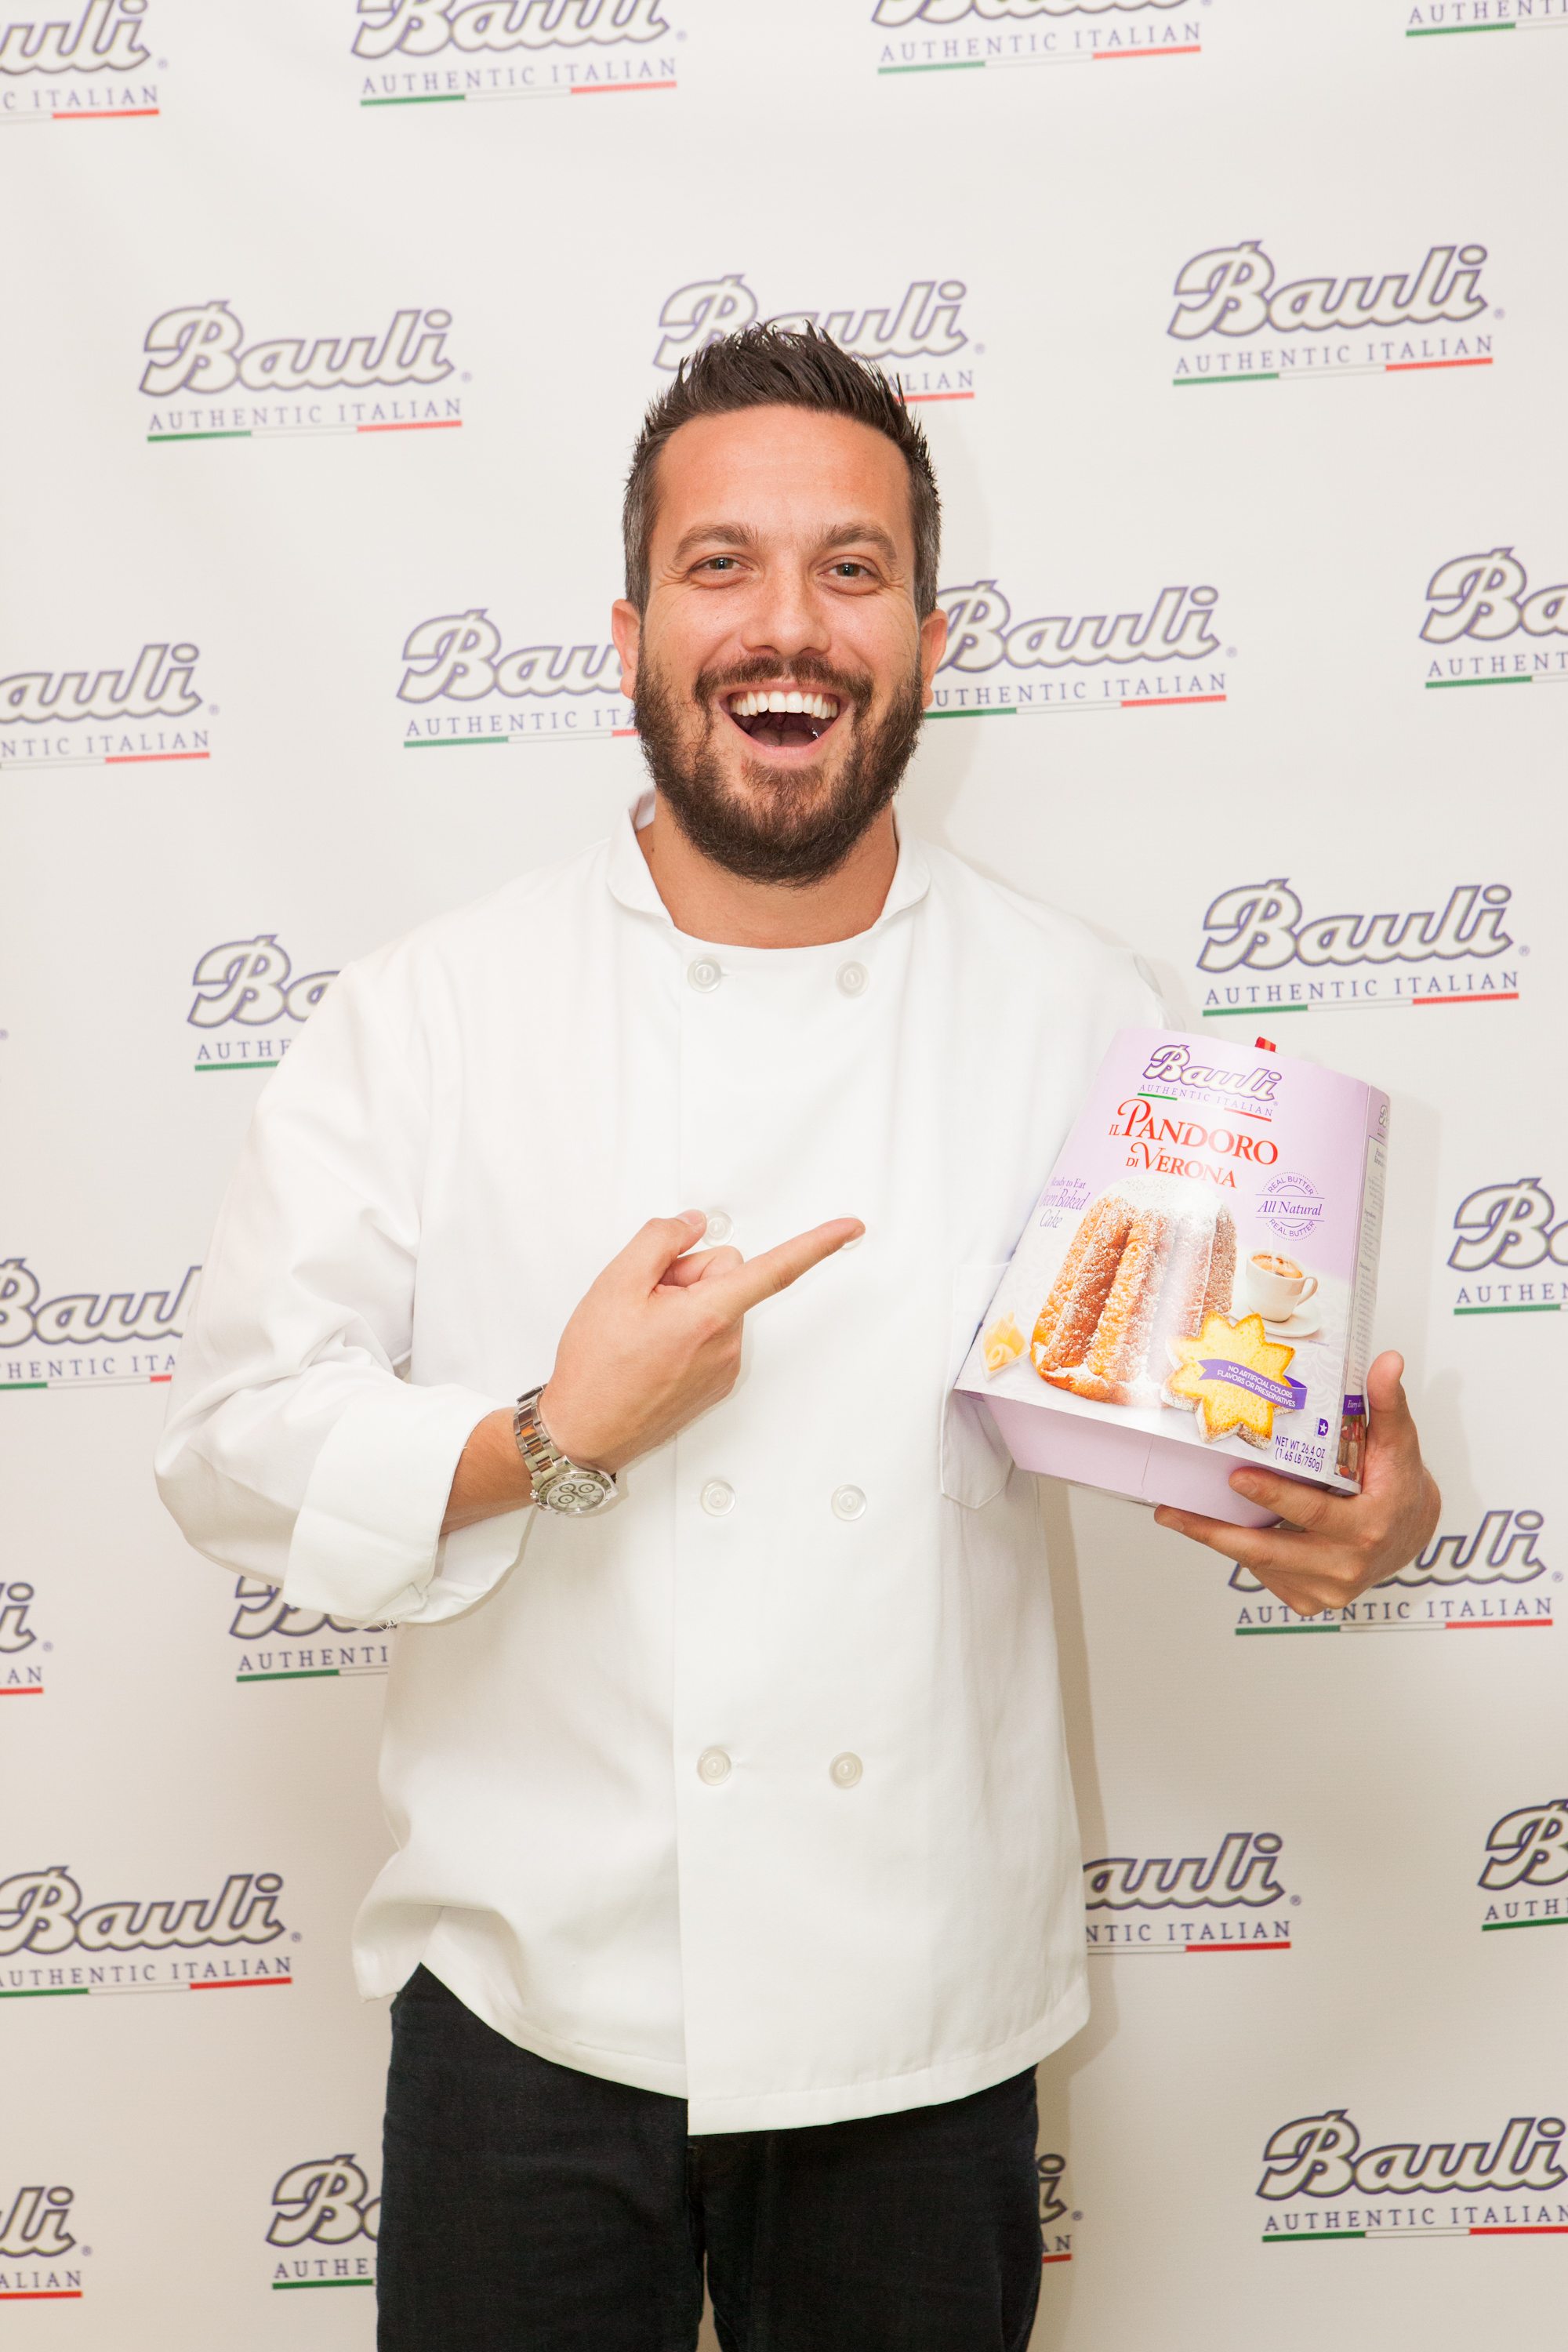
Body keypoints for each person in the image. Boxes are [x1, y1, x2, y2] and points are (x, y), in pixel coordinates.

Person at [156, 326, 1440, 2352]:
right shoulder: (430, 1014)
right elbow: (227, 1447)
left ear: (929, 635)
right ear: (632, 627)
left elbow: (1213, 1432)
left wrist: (1333, 1507)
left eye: (851, 571)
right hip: (524, 2021)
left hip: (920, 2033)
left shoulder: (1085, 1016)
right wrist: (548, 1430)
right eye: (722, 564)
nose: (789, 623)